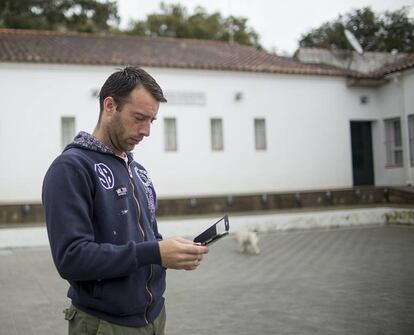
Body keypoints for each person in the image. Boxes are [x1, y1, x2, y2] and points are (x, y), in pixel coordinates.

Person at [42, 66, 209, 335]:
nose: (146, 131)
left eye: (152, 121)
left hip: (154, 317)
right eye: (139, 118)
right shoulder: (71, 168)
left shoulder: (137, 170)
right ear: (110, 106)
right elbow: (71, 258)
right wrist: (155, 252)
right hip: (104, 324)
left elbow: (145, 238)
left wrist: (173, 251)